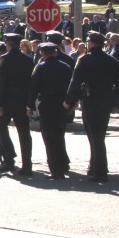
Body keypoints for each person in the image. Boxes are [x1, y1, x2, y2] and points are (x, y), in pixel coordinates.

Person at [64, 31, 119, 183]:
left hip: (90, 101)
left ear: (91, 43)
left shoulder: (84, 60)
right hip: (105, 102)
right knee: (99, 135)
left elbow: (75, 82)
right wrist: (114, 101)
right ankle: (95, 166)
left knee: (95, 137)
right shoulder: (112, 60)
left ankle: (100, 171)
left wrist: (70, 101)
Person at [28, 42, 73, 179]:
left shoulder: (41, 67)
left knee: (49, 137)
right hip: (61, 105)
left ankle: (56, 170)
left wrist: (30, 106)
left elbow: (34, 87)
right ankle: (63, 163)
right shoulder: (65, 67)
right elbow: (71, 86)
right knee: (59, 135)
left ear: (43, 53)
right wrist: (70, 104)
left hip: (47, 105)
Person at [0, 33, 34, 176]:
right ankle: (27, 164)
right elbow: (32, 82)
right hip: (23, 100)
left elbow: (1, 83)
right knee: (24, 132)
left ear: (8, 45)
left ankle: (9, 158)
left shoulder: (4, 59)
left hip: (8, 100)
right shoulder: (28, 59)